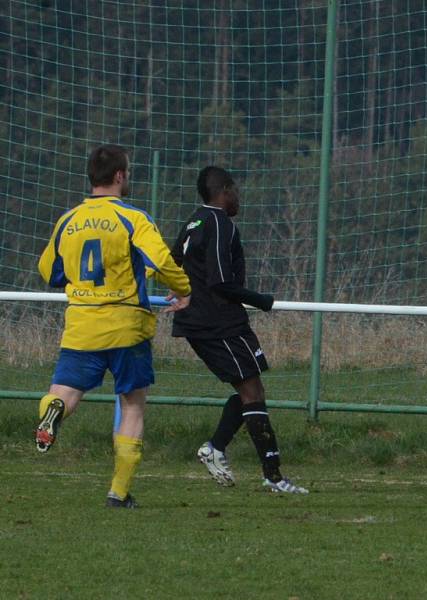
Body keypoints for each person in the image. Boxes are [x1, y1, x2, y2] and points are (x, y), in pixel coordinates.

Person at [36, 144, 191, 508]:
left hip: (82, 324)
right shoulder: (133, 218)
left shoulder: (68, 220)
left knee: (65, 392)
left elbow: (48, 270)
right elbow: (161, 259)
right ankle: (118, 492)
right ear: (120, 175)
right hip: (126, 325)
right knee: (132, 404)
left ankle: (52, 409)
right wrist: (182, 289)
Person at [170, 166, 307, 494]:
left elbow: (173, 262)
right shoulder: (220, 223)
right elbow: (220, 282)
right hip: (219, 323)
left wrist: (182, 292)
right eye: (236, 191)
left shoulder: (194, 221)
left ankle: (217, 448)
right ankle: (272, 477)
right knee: (253, 393)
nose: (239, 198)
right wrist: (261, 300)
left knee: (249, 392)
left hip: (201, 322)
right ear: (225, 191)